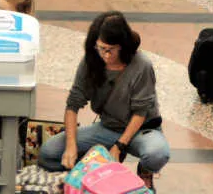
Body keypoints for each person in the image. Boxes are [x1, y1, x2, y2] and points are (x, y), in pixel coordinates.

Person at [38, 12, 169, 184]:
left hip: (142, 130)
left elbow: (141, 112)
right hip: (108, 128)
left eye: (111, 49)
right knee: (49, 151)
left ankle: (145, 172)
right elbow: (73, 104)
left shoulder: (141, 65)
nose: (106, 55)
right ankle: (89, 173)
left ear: (122, 45)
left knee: (157, 154)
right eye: (101, 48)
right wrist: (71, 146)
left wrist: (119, 146)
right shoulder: (90, 62)